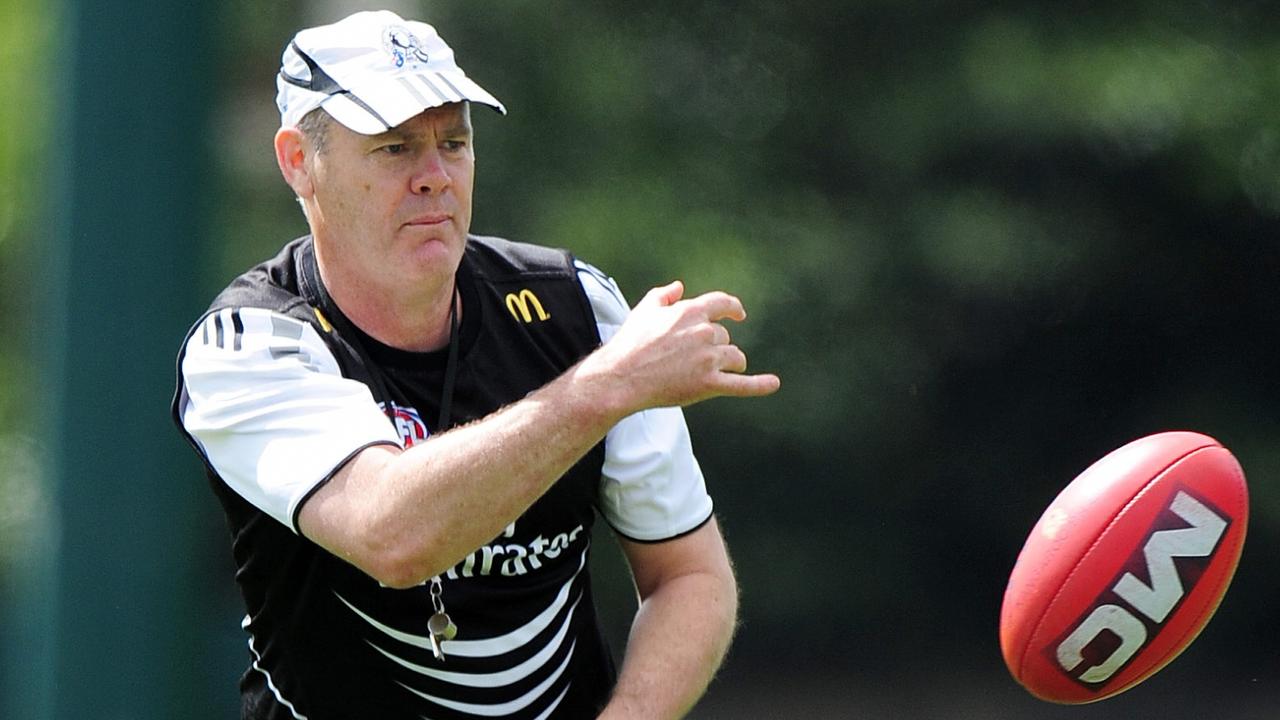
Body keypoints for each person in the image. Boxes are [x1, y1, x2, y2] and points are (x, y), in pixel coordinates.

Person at [171, 10, 779, 720]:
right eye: (395, 147)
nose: (434, 177)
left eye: (454, 142)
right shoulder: (251, 343)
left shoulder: (579, 308)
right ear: (300, 162)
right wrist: (605, 387)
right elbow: (393, 536)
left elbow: (690, 577)